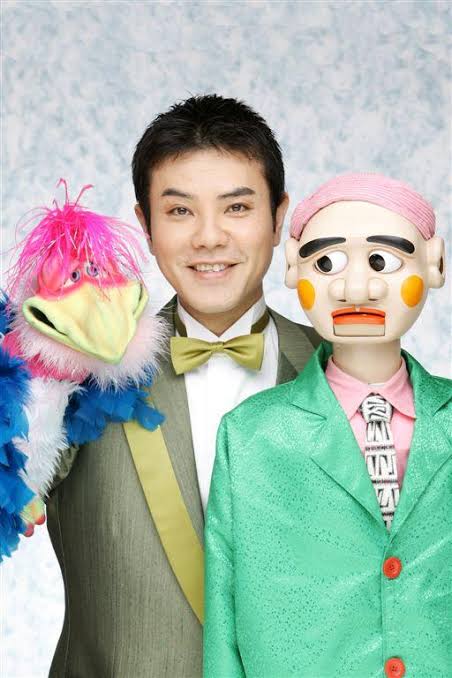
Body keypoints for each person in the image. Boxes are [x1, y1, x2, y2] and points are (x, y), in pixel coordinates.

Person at [44, 94, 320, 678]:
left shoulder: (344, 371)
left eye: (237, 207)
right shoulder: (76, 371)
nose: (209, 238)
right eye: (179, 211)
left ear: (279, 218)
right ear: (145, 225)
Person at [204, 173, 451, 678]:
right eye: (327, 263)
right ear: (294, 267)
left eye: (382, 261)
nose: (356, 287)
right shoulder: (251, 436)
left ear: (434, 263)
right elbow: (223, 612)